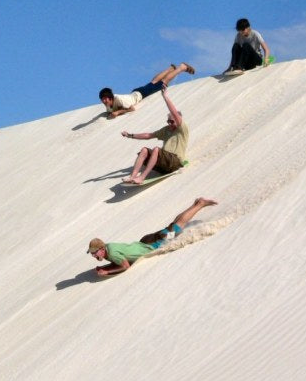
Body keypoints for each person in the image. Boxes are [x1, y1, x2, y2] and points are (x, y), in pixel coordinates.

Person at [87, 197, 218, 276]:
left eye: (95, 252)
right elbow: (118, 259)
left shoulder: (112, 253)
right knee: (172, 227)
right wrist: (105, 267)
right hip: (145, 240)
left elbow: (125, 265)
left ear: (102, 249)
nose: (94, 255)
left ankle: (200, 204)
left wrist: (107, 271)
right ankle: (195, 204)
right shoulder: (110, 247)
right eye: (92, 253)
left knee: (176, 229)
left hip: (153, 244)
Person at [120, 84, 188, 184]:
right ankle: (132, 176)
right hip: (164, 165)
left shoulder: (182, 129)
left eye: (172, 121)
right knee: (144, 150)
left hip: (175, 162)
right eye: (168, 121)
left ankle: (142, 177)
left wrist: (165, 96)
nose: (169, 123)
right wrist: (130, 135)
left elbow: (173, 111)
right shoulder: (166, 130)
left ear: (178, 120)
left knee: (156, 149)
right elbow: (149, 135)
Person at [99, 62, 195, 118]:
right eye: (102, 99)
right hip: (135, 93)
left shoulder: (118, 99)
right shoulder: (108, 105)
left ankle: (181, 67)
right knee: (154, 82)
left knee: (163, 82)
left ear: (110, 97)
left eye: (105, 99)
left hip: (141, 94)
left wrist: (118, 112)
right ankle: (170, 69)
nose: (104, 101)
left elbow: (131, 108)